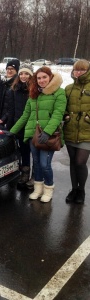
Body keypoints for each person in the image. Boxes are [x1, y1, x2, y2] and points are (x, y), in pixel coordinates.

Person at [10, 66, 66, 202]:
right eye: (39, 78)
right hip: (33, 135)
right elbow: (25, 116)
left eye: (44, 77)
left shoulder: (59, 93)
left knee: (45, 164)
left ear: (50, 77)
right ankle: (38, 189)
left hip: (49, 136)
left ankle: (48, 189)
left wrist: (47, 132)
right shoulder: (33, 94)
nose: (41, 80)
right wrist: (11, 132)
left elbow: (58, 115)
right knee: (37, 163)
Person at [63, 59, 90, 204]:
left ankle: (82, 190)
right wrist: (65, 115)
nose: (78, 72)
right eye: (76, 70)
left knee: (80, 162)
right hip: (71, 130)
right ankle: (74, 189)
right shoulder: (68, 88)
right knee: (73, 162)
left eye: (82, 70)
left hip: (87, 132)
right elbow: (62, 107)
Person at [6, 64, 34, 189]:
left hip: (32, 125)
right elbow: (11, 110)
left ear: (31, 75)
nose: (23, 76)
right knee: (23, 151)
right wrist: (10, 127)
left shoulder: (34, 90)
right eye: (21, 73)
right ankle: (25, 173)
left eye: (26, 73)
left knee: (35, 152)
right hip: (19, 125)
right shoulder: (14, 89)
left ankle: (36, 176)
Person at [0, 59, 20, 126]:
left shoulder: (17, 84)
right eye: (8, 68)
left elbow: (13, 106)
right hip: (1, 118)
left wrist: (4, 118)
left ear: (16, 71)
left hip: (9, 120)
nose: (9, 71)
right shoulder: (4, 83)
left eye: (12, 69)